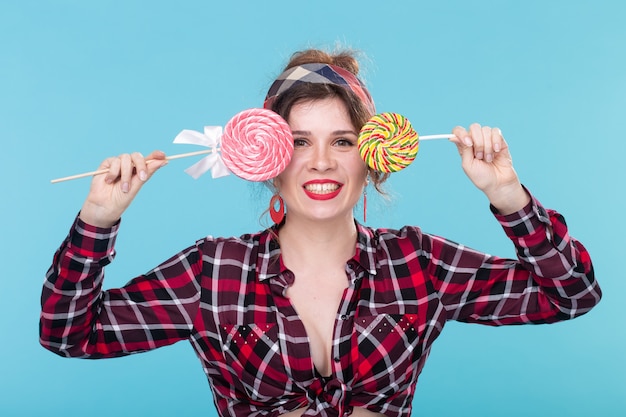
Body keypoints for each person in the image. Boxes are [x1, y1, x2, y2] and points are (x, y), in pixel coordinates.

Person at [40, 48, 601, 417]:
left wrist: (507, 196)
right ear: (266, 159)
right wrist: (98, 221)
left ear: (373, 156)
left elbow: (571, 295)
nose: (322, 164)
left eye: (342, 141)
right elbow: (69, 333)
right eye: (300, 142)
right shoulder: (211, 272)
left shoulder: (419, 262)